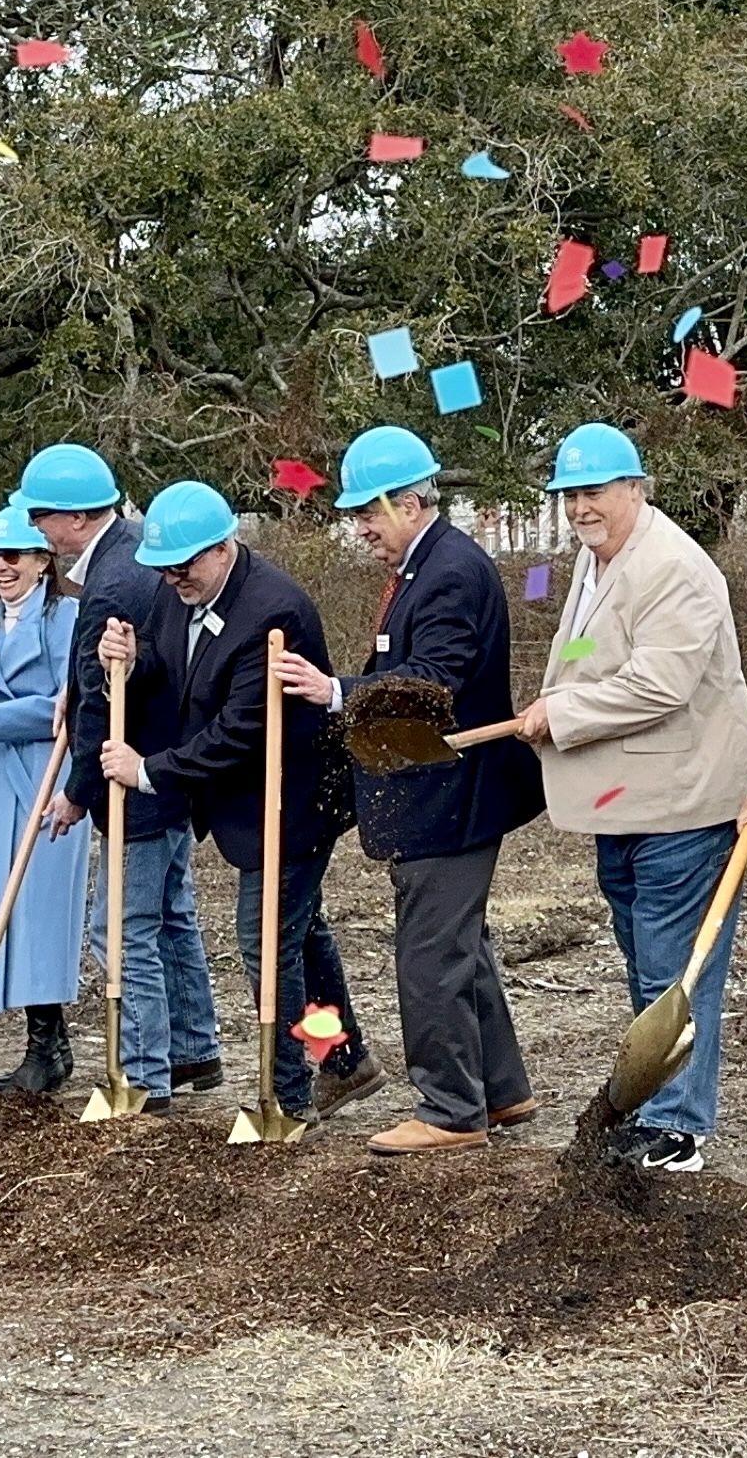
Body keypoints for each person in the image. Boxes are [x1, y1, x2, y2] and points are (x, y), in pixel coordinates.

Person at [277, 427, 543, 1155]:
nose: (361, 528)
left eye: (368, 512)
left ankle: (452, 1110)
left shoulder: (450, 571)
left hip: (451, 794)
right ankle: (503, 1090)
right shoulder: (429, 567)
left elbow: (433, 684)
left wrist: (335, 692)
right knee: (461, 948)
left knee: (430, 956)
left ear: (411, 501)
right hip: (436, 792)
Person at [515, 423, 747, 1172]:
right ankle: (654, 1105)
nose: (580, 508)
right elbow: (596, 655)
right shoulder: (595, 564)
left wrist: (564, 713)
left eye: (594, 492)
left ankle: (678, 1126)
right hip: (628, 801)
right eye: (570, 496)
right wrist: (560, 694)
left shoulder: (675, 567)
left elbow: (661, 684)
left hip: (685, 802)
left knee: (672, 968)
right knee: (643, 961)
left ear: (636, 488)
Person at [94, 480, 365, 1123]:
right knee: (298, 934)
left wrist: (148, 771)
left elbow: (239, 733)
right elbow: (170, 667)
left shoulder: (275, 610)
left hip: (290, 799)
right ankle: (343, 1058)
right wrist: (131, 664)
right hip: (244, 800)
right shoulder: (177, 595)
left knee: (264, 937)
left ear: (223, 548)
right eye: (162, 568)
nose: (172, 579)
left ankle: (290, 1096)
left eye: (183, 565)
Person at [34, 443, 223, 1107]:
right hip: (175, 768)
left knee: (118, 928)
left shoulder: (113, 580)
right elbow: (107, 674)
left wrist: (78, 793)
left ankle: (144, 1077)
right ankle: (195, 1047)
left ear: (76, 517)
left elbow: (99, 697)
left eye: (42, 518)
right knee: (170, 912)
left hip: (136, 776)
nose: (38, 534)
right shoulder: (140, 547)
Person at [0, 506, 86, 1095]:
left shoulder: (68, 619)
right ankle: (43, 1045)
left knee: (40, 910)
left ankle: (49, 1049)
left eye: (15, 556)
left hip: (46, 776)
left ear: (42, 561)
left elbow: (66, 703)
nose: (2, 566)